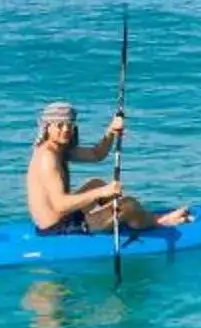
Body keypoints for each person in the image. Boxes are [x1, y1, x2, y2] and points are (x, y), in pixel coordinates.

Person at [25, 101, 192, 235]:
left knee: (95, 183)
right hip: (58, 228)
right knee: (128, 204)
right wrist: (102, 193)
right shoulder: (48, 157)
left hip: (63, 218)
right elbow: (60, 205)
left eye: (69, 124)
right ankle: (158, 221)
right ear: (47, 127)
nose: (66, 129)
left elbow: (96, 154)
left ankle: (129, 218)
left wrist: (111, 131)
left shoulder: (57, 149)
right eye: (59, 125)